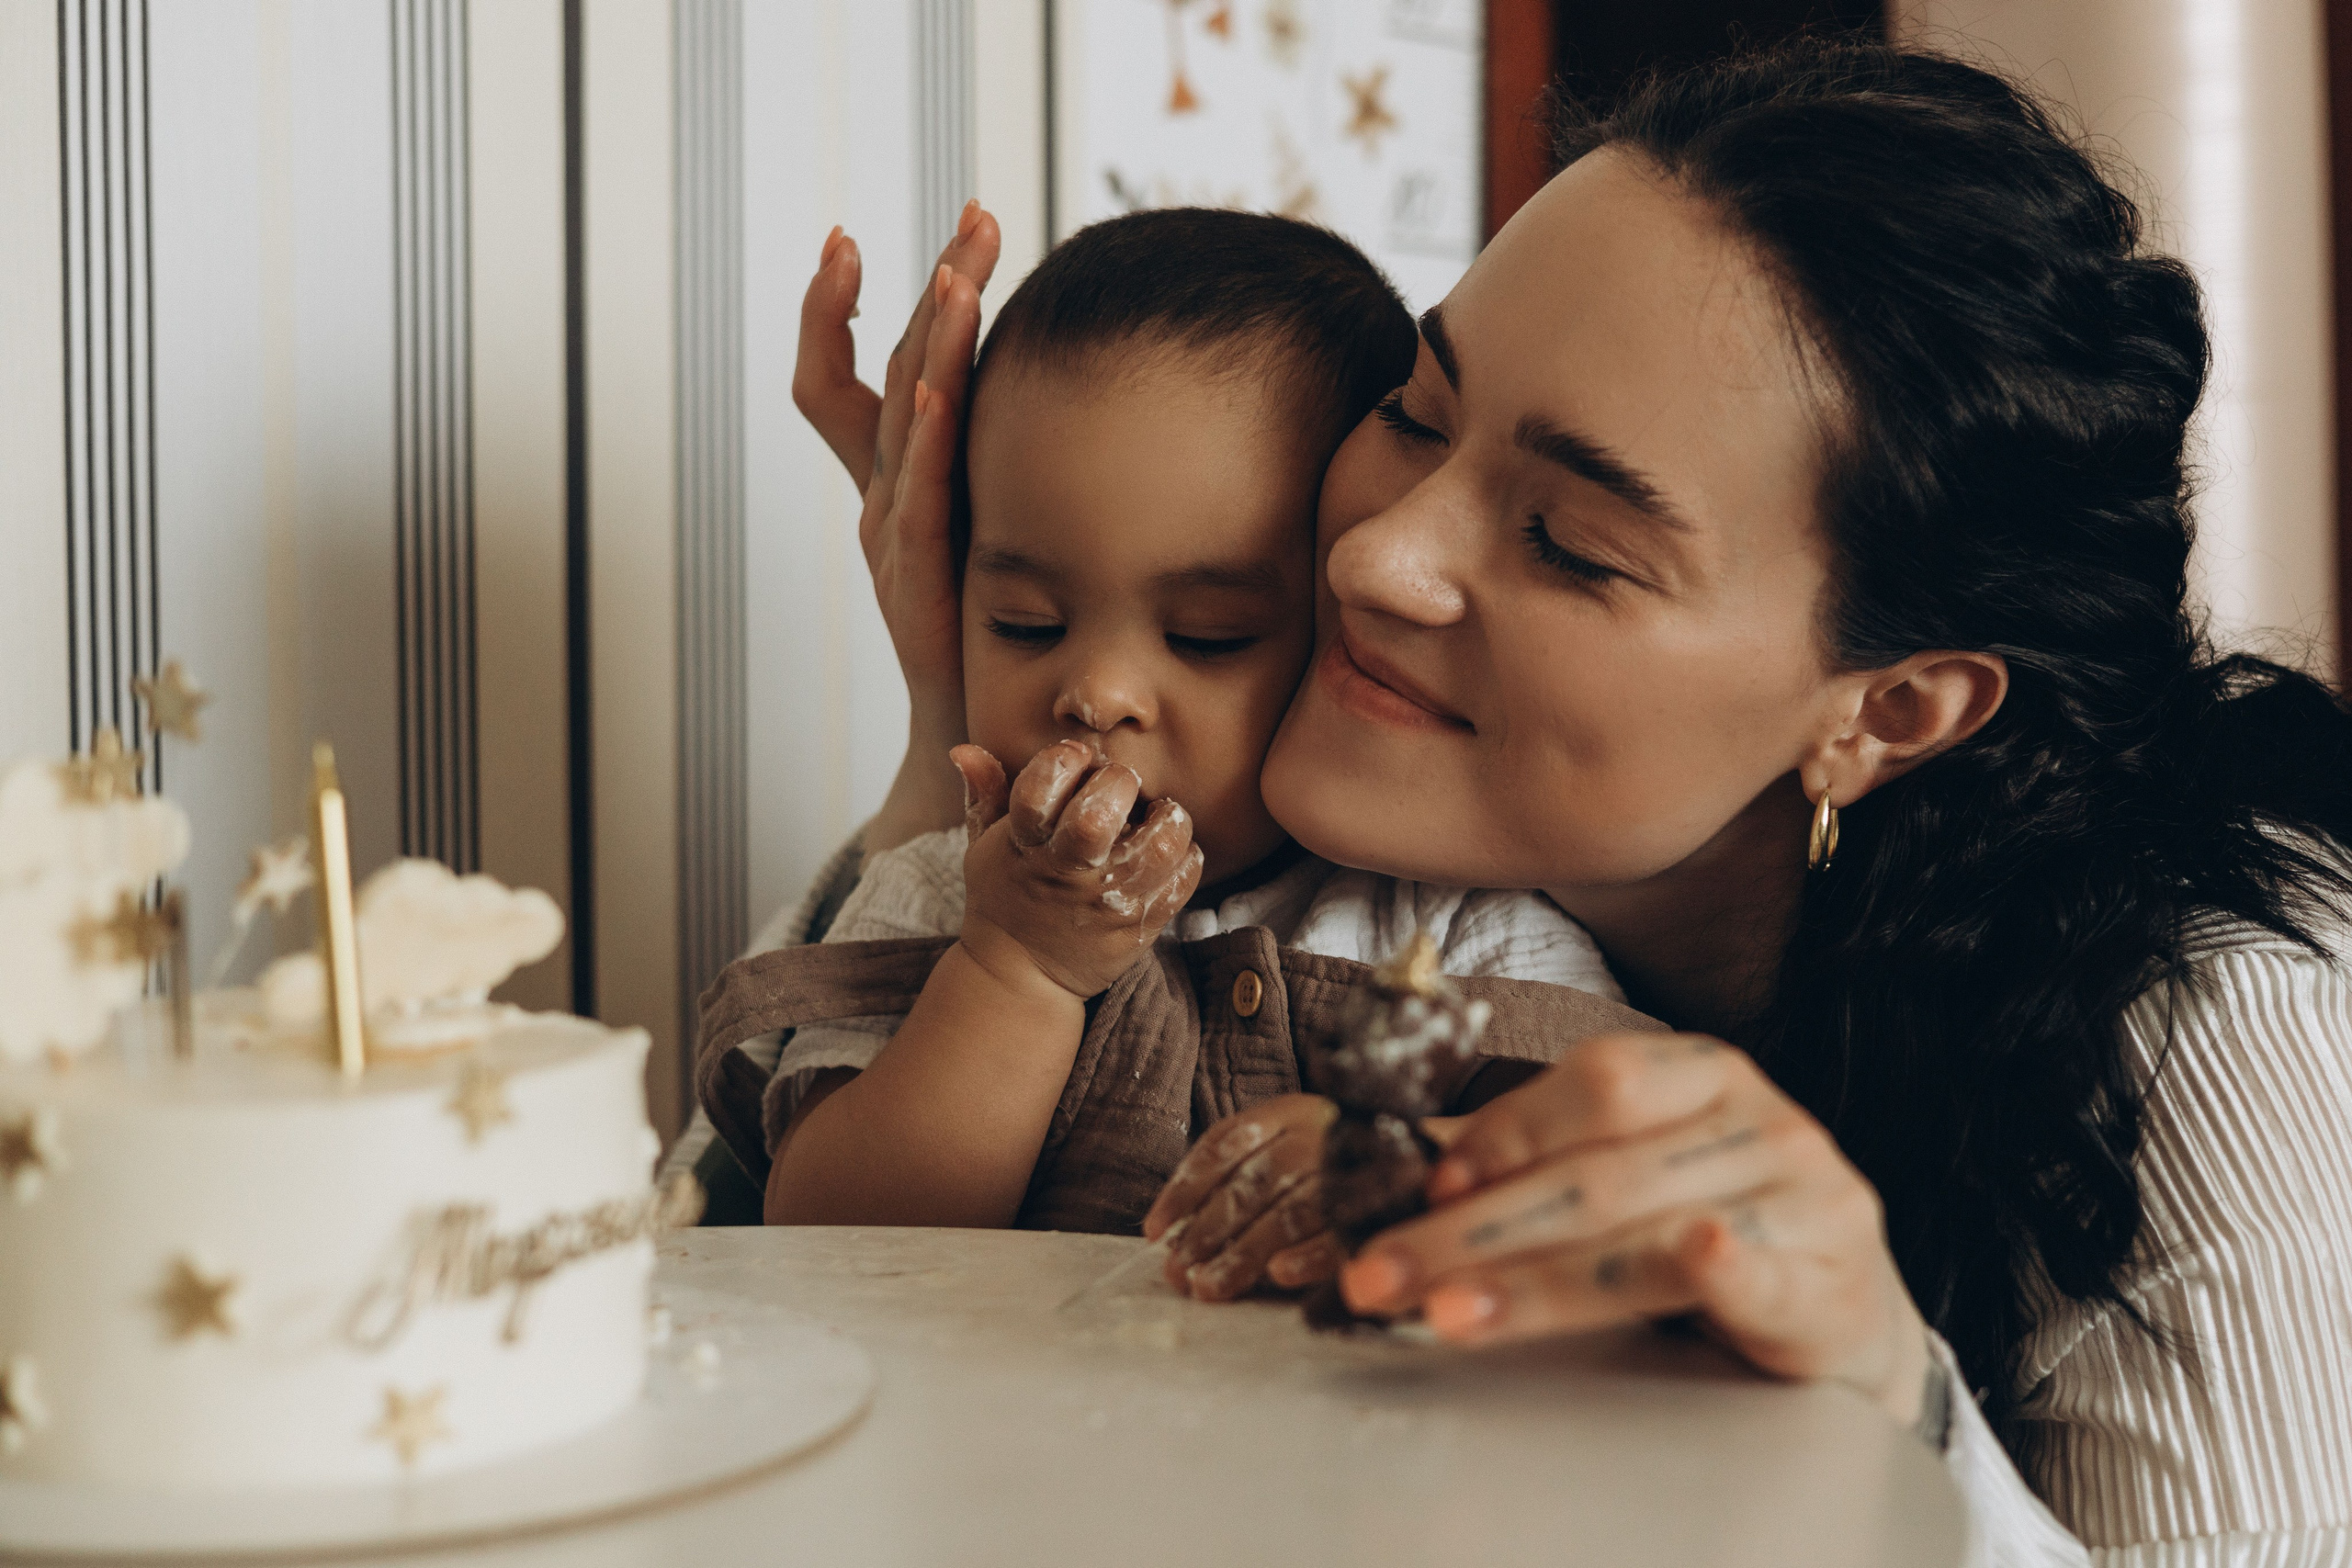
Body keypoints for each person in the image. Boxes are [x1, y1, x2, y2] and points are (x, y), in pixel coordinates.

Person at [784, 38, 2352, 1563]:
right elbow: (771, 1231)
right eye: (1412, 411)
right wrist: (953, 703)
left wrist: (1890, 1395)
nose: (1371, 558)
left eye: (1571, 541)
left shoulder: (2217, 1052)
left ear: (1886, 712)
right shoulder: (1305, 867)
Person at [702, 209, 1634, 1250]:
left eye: (1207, 636)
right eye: (1026, 624)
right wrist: (1016, 970)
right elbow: (830, 1239)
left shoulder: (1441, 928)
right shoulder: (929, 894)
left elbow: (1600, 1174)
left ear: (1348, 638)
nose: (1095, 695)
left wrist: (1399, 1169)